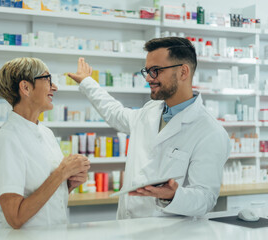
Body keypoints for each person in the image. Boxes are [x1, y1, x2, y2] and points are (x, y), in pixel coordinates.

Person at [68, 37, 230, 218]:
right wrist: (87, 82)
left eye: (155, 71)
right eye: (147, 70)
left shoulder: (210, 132)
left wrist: (173, 195)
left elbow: (205, 198)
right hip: (126, 226)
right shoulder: (151, 110)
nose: (148, 78)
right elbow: (116, 113)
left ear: (183, 72)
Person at [0, 57, 90, 229]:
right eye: (47, 80)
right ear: (26, 87)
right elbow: (15, 218)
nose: (54, 87)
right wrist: (61, 173)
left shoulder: (46, 134)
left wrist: (68, 185)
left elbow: (46, 197)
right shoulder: (6, 139)